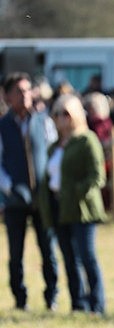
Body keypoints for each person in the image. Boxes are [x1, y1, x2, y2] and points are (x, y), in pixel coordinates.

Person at [38, 93, 107, 314]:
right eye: (57, 113)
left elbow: (97, 176)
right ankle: (78, 304)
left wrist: (76, 192)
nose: (61, 118)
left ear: (75, 115)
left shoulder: (87, 139)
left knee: (87, 257)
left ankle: (97, 304)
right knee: (69, 259)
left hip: (82, 209)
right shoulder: (54, 146)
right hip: (59, 207)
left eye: (65, 113)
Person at [0, 72, 59, 310]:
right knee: (16, 254)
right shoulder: (2, 126)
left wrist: (50, 187)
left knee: (48, 251)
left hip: (42, 199)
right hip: (15, 199)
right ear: (7, 96)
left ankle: (51, 296)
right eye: (19, 91)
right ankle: (20, 298)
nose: (24, 95)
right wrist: (10, 187)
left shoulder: (43, 121)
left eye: (27, 90)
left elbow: (53, 153)